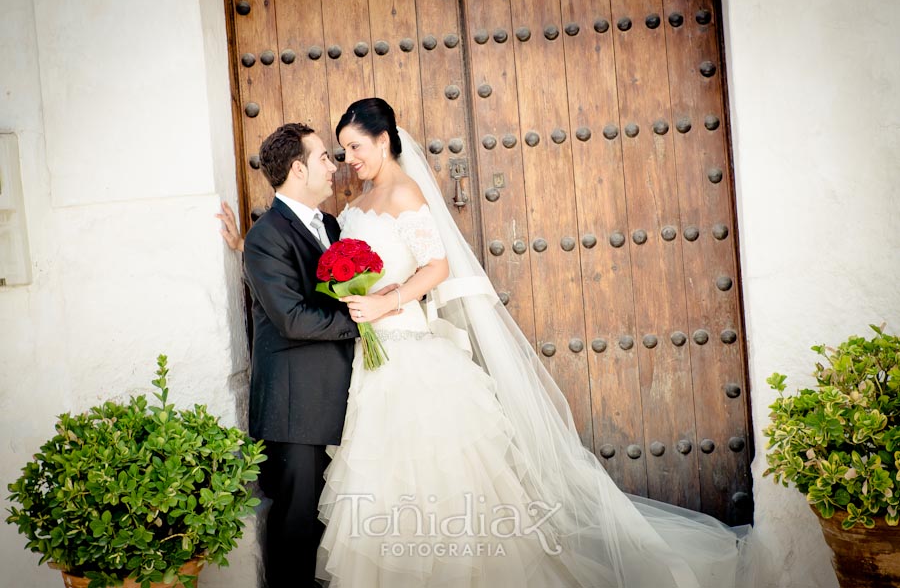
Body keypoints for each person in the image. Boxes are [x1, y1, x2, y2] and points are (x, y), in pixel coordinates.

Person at [222, 100, 754, 588]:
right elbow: (301, 269)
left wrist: (389, 304)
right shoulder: (347, 211)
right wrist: (251, 247)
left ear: (385, 141)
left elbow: (438, 266)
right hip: (367, 368)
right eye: (336, 153)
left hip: (407, 352)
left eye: (355, 148)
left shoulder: (404, 194)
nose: (345, 161)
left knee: (438, 475)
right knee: (383, 488)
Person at [236, 122, 396, 588]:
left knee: (333, 527)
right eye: (325, 157)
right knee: (296, 530)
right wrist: (365, 321)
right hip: (295, 410)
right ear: (298, 168)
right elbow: (292, 318)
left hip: (339, 399)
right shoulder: (267, 236)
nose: (335, 164)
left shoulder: (327, 224)